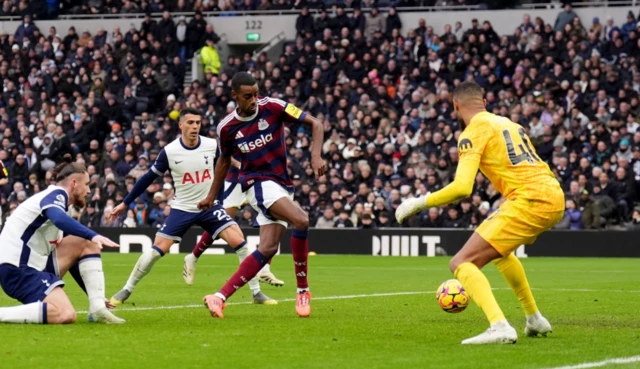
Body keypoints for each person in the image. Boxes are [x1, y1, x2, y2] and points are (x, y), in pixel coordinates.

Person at [396, 81, 564, 345]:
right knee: (501, 254)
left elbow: (462, 188)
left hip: (530, 198)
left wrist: (419, 202)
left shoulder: (473, 131)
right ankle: (534, 318)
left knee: (461, 262)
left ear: (455, 106)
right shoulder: (508, 123)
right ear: (484, 103)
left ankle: (499, 325)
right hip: (553, 194)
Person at [109, 108, 275, 306]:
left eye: (197, 122)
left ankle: (256, 293)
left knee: (241, 244)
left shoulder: (211, 145)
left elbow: (223, 162)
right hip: (183, 208)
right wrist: (125, 203)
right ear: (180, 125)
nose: (195, 126)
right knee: (156, 251)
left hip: (210, 207)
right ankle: (126, 289)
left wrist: (233, 177)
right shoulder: (169, 152)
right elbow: (147, 178)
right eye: (190, 123)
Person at [198, 72, 326, 318]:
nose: (254, 100)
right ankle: (303, 291)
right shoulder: (227, 127)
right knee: (301, 220)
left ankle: (219, 296)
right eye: (248, 96)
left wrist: (315, 154)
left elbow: (316, 123)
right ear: (234, 96)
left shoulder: (274, 107)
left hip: (280, 183)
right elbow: (224, 161)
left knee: (267, 248)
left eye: (256, 94)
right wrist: (213, 196)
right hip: (256, 183)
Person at [0, 154, 124, 324]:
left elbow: (76, 257)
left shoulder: (57, 205)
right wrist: (93, 234)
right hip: (18, 270)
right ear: (74, 183)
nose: (88, 191)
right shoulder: (56, 195)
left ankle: (97, 309)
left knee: (85, 243)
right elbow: (59, 219)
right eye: (86, 185)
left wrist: (95, 297)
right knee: (65, 314)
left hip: (33, 266)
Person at [183, 154, 285, 287]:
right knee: (221, 222)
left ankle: (265, 269)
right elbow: (224, 153)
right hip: (236, 181)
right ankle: (193, 256)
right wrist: (239, 164)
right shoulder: (234, 133)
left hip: (261, 180)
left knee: (273, 216)